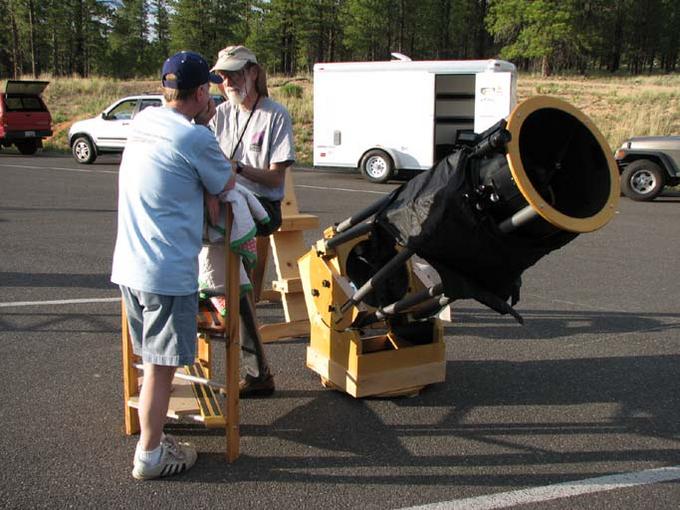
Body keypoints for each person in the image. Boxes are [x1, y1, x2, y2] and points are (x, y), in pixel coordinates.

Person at [111, 51, 235, 480]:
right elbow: (225, 181)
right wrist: (207, 126)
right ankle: (149, 454)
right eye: (210, 92)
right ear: (202, 92)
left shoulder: (144, 120)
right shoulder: (195, 138)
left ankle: (152, 435)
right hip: (165, 271)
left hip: (129, 264)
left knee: (149, 359)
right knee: (162, 368)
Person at [203, 45, 296, 397]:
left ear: (254, 72)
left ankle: (257, 372)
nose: (225, 80)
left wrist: (237, 168)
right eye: (221, 75)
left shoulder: (275, 115)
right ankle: (214, 303)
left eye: (233, 73)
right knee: (227, 281)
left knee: (237, 288)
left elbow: (275, 181)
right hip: (228, 206)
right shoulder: (219, 113)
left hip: (260, 209)